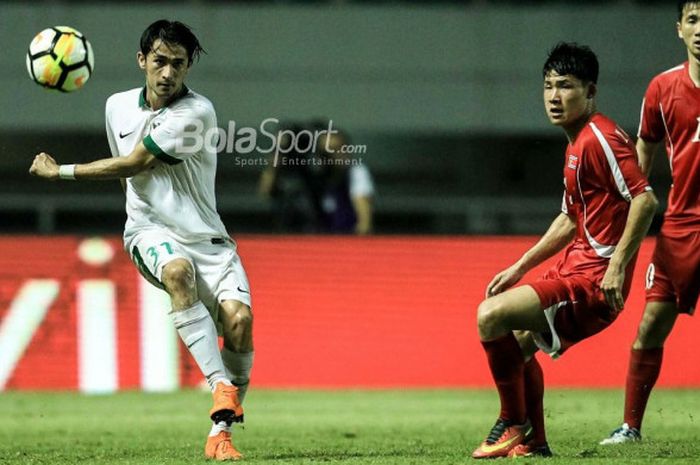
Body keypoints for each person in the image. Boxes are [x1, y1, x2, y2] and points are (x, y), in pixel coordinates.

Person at [29, 20, 253, 461]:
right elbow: (128, 176)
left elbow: (134, 162)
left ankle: (220, 433)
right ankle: (220, 385)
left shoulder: (197, 112)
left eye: (178, 64)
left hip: (208, 240)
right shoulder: (117, 106)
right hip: (149, 233)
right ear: (141, 61)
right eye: (159, 62)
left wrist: (62, 172)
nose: (168, 73)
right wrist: (136, 222)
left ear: (188, 68)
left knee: (240, 324)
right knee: (176, 272)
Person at [471, 42, 658, 459]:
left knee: (491, 317)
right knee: (517, 347)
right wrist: (520, 266)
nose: (554, 97)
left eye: (567, 86)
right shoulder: (576, 144)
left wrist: (616, 268)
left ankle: (514, 421)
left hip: (592, 283)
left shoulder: (600, 138)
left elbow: (645, 200)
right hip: (574, 271)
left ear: (590, 92)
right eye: (549, 86)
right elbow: (569, 219)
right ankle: (535, 443)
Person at [600, 1, 700, 445]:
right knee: (650, 326)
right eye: (694, 19)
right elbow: (643, 153)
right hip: (681, 227)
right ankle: (631, 427)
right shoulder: (663, 88)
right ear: (679, 28)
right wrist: (629, 210)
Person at [316, 130, 374, 235]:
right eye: (326, 152)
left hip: (347, 239)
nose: (335, 155)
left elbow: (364, 222)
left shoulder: (356, 172)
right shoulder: (316, 178)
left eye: (339, 149)